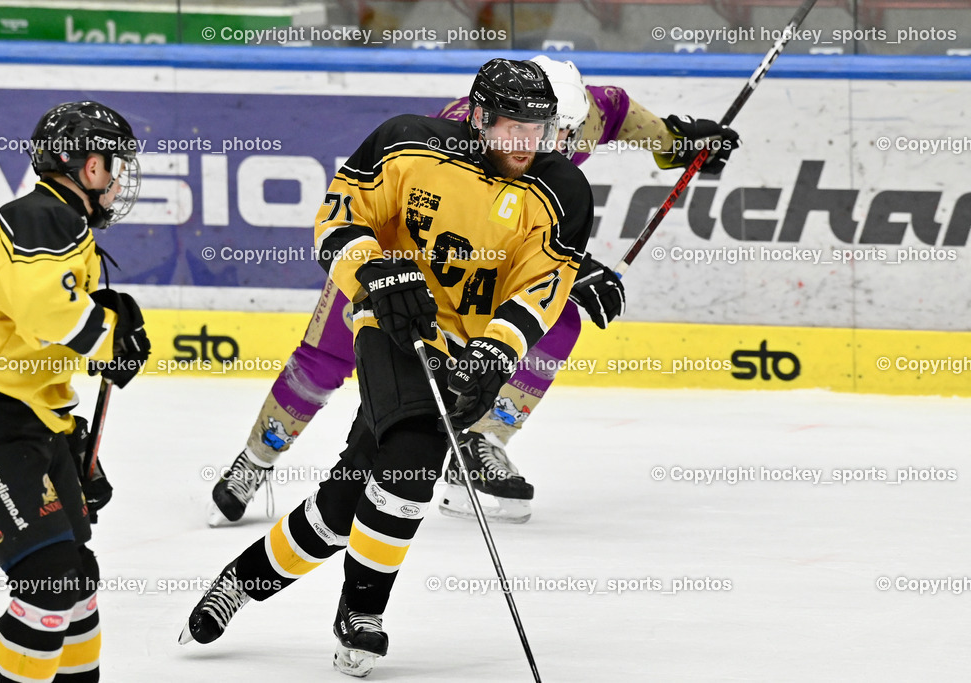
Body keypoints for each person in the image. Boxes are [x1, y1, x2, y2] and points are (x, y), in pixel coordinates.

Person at [180, 58, 593, 677]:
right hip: (392, 328)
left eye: (538, 132)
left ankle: (239, 581)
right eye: (513, 128)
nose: (526, 145)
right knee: (413, 459)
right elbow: (339, 217)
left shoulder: (562, 192)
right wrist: (373, 269)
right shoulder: (406, 143)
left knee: (343, 505)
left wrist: (500, 351)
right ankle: (360, 616)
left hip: (474, 354)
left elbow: (542, 285)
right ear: (480, 118)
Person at [206, 55, 740, 526]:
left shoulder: (588, 112)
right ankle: (256, 459)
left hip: (484, 278)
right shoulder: (461, 132)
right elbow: (458, 229)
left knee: (559, 317)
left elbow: (628, 118)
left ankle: (480, 439)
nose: (547, 149)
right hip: (400, 259)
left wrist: (685, 145)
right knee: (326, 354)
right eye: (536, 132)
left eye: (560, 137)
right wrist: (578, 269)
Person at [0, 101, 149, 683]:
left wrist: (65, 434)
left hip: (17, 412)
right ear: (88, 167)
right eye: (112, 164)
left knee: (76, 584)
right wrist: (111, 338)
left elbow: (26, 341)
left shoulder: (58, 219)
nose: (116, 178)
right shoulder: (43, 217)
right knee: (52, 581)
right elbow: (45, 314)